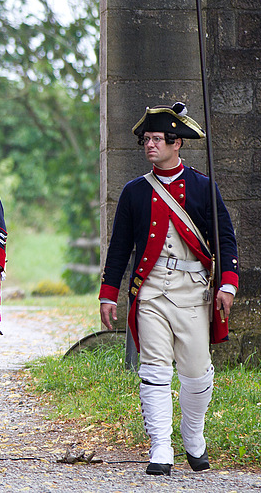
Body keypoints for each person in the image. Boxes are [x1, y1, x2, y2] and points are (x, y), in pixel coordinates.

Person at [100, 102, 239, 476]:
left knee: (197, 372)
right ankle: (160, 445)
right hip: (151, 291)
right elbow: (120, 248)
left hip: (193, 289)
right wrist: (108, 292)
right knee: (155, 369)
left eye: (157, 139)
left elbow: (225, 239)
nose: (150, 145)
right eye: (147, 139)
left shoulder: (202, 187)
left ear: (177, 143)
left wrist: (227, 284)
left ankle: (193, 435)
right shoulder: (134, 192)